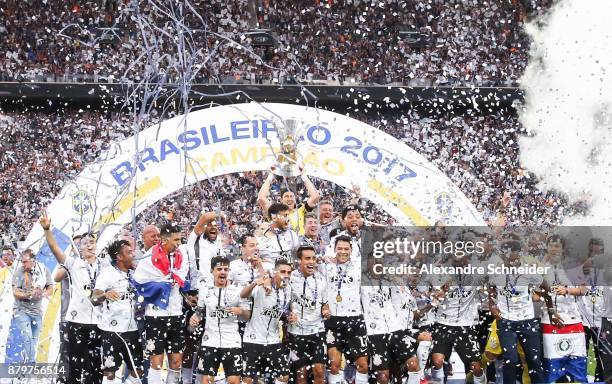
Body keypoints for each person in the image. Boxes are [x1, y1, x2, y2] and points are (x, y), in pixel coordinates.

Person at [40, 211, 108, 384]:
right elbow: (55, 250)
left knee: (95, 369)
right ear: (81, 248)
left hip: (99, 323)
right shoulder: (74, 263)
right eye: (86, 243)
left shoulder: (105, 265)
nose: (90, 245)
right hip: (77, 322)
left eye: (92, 242)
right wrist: (47, 230)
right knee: (74, 369)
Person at [132, 223, 190, 384]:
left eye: (180, 239)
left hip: (176, 313)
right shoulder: (149, 257)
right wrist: (163, 283)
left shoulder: (181, 255)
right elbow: (139, 282)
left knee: (177, 362)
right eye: (175, 240)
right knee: (156, 362)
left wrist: (171, 281)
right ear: (164, 239)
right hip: (156, 316)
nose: (178, 243)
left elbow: (181, 278)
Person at [487, 239, 546, 384]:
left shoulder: (529, 271)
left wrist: (537, 297)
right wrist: (492, 307)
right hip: (506, 322)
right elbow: (491, 290)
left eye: (513, 256)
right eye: (506, 256)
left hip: (527, 321)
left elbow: (545, 288)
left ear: (519, 255)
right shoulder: (495, 272)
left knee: (534, 360)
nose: (510, 260)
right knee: (510, 360)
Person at [427, 251, 486, 384]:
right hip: (443, 323)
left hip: (466, 324)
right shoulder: (440, 274)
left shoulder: (476, 274)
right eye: (456, 263)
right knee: (437, 361)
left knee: (476, 367)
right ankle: (438, 381)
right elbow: (436, 295)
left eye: (462, 263)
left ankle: (481, 380)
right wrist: (444, 288)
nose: (459, 266)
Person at [189, 256, 249, 384]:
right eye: (219, 269)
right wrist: (194, 319)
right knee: (207, 381)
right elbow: (200, 312)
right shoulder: (205, 290)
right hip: (209, 341)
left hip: (232, 341)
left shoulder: (238, 290)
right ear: (212, 271)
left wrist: (240, 311)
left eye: (226, 269)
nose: (223, 272)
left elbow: (247, 315)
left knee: (234, 381)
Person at [91, 239, 143, 384]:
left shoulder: (136, 273)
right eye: (129, 252)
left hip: (133, 329)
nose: (133, 254)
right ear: (119, 257)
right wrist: (104, 295)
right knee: (110, 373)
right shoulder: (107, 274)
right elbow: (94, 299)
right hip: (111, 331)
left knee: (137, 371)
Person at [320, 236, 369, 384]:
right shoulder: (326, 266)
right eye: (339, 248)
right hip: (333, 320)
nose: (343, 252)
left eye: (346, 249)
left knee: (363, 365)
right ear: (334, 249)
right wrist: (322, 258)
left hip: (356, 319)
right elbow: (307, 262)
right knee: (334, 365)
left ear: (351, 250)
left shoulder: (359, 267)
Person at [540, 235, 588, 383]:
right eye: (551, 246)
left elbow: (583, 289)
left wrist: (566, 290)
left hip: (572, 320)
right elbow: (534, 293)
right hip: (549, 321)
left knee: (577, 364)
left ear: (563, 249)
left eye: (557, 246)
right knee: (553, 366)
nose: (554, 249)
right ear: (547, 247)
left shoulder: (573, 267)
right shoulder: (540, 267)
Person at [361, 274, 421, 384]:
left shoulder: (390, 280)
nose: (377, 264)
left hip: (395, 329)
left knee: (414, 365)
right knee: (383, 377)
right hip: (375, 333)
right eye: (373, 261)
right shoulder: (360, 280)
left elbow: (408, 276)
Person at [240, 259, 293, 384]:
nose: (286, 275)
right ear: (274, 272)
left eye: (288, 272)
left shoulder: (288, 290)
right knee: (248, 379)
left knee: (284, 376)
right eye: (282, 271)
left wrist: (290, 316)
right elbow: (243, 295)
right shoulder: (262, 286)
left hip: (273, 340)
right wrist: (255, 283)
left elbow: (284, 312)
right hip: (253, 340)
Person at [286, 246, 330, 384]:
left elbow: (325, 303)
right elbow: (281, 302)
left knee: (319, 371)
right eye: (307, 258)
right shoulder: (290, 278)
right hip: (296, 332)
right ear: (299, 260)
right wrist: (287, 314)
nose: (311, 261)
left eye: (313, 258)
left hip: (317, 331)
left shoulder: (321, 279)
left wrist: (326, 310)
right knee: (301, 374)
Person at [11, 249, 53, 362]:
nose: (22, 264)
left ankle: (26, 356)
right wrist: (27, 295)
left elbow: (50, 288)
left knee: (33, 340)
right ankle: (31, 365)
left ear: (33, 260)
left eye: (25, 262)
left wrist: (43, 294)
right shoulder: (18, 272)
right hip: (21, 310)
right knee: (28, 337)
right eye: (22, 262)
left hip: (37, 311)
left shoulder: (44, 270)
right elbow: (15, 292)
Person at [257, 170, 320, 235]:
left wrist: (303, 175)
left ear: (295, 199)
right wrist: (271, 175)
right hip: (281, 244)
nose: (289, 199)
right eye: (286, 196)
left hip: (301, 243)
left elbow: (315, 196)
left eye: (291, 196)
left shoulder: (301, 211)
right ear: (281, 200)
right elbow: (261, 198)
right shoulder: (274, 213)